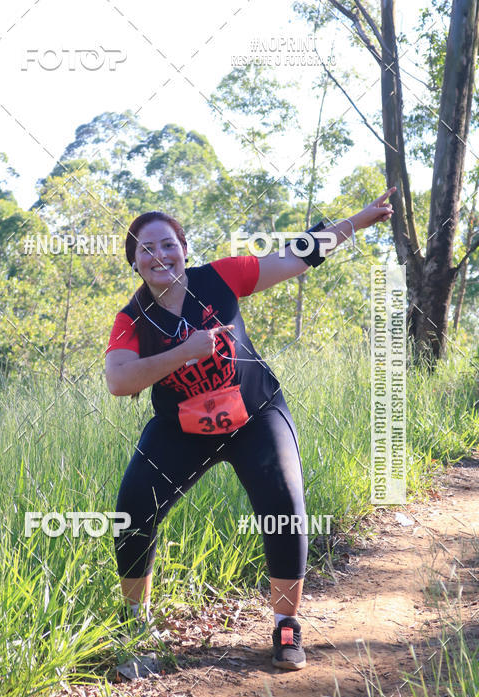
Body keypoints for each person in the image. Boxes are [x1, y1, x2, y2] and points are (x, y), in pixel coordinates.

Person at [105, 188, 395, 670]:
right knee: (134, 507)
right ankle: (135, 621)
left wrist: (358, 220)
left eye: (168, 243)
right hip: (181, 428)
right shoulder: (130, 318)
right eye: (146, 249)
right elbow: (119, 380)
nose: (160, 255)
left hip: (256, 415)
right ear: (134, 262)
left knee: (283, 505)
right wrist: (184, 352)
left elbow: (294, 256)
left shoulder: (219, 277)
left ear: (184, 248)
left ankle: (286, 625)